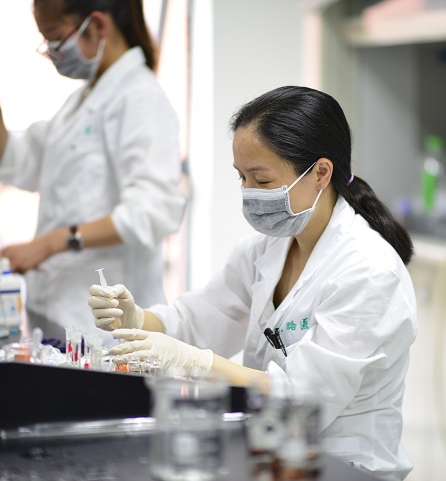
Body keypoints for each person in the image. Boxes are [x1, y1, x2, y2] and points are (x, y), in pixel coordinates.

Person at [88, 86, 418, 479]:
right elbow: (199, 319)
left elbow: (302, 399)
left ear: (321, 173)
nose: (248, 193)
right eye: (241, 177)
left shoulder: (368, 271)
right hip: (274, 455)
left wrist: (195, 362)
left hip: (344, 468)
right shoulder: (265, 249)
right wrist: (137, 319)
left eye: (261, 180)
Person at [0, 0, 185, 336]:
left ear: (97, 25)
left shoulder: (141, 98)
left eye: (55, 38)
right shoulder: (82, 101)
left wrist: (50, 243)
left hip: (107, 327)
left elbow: (151, 212)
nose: (53, 52)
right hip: (58, 313)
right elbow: (20, 163)